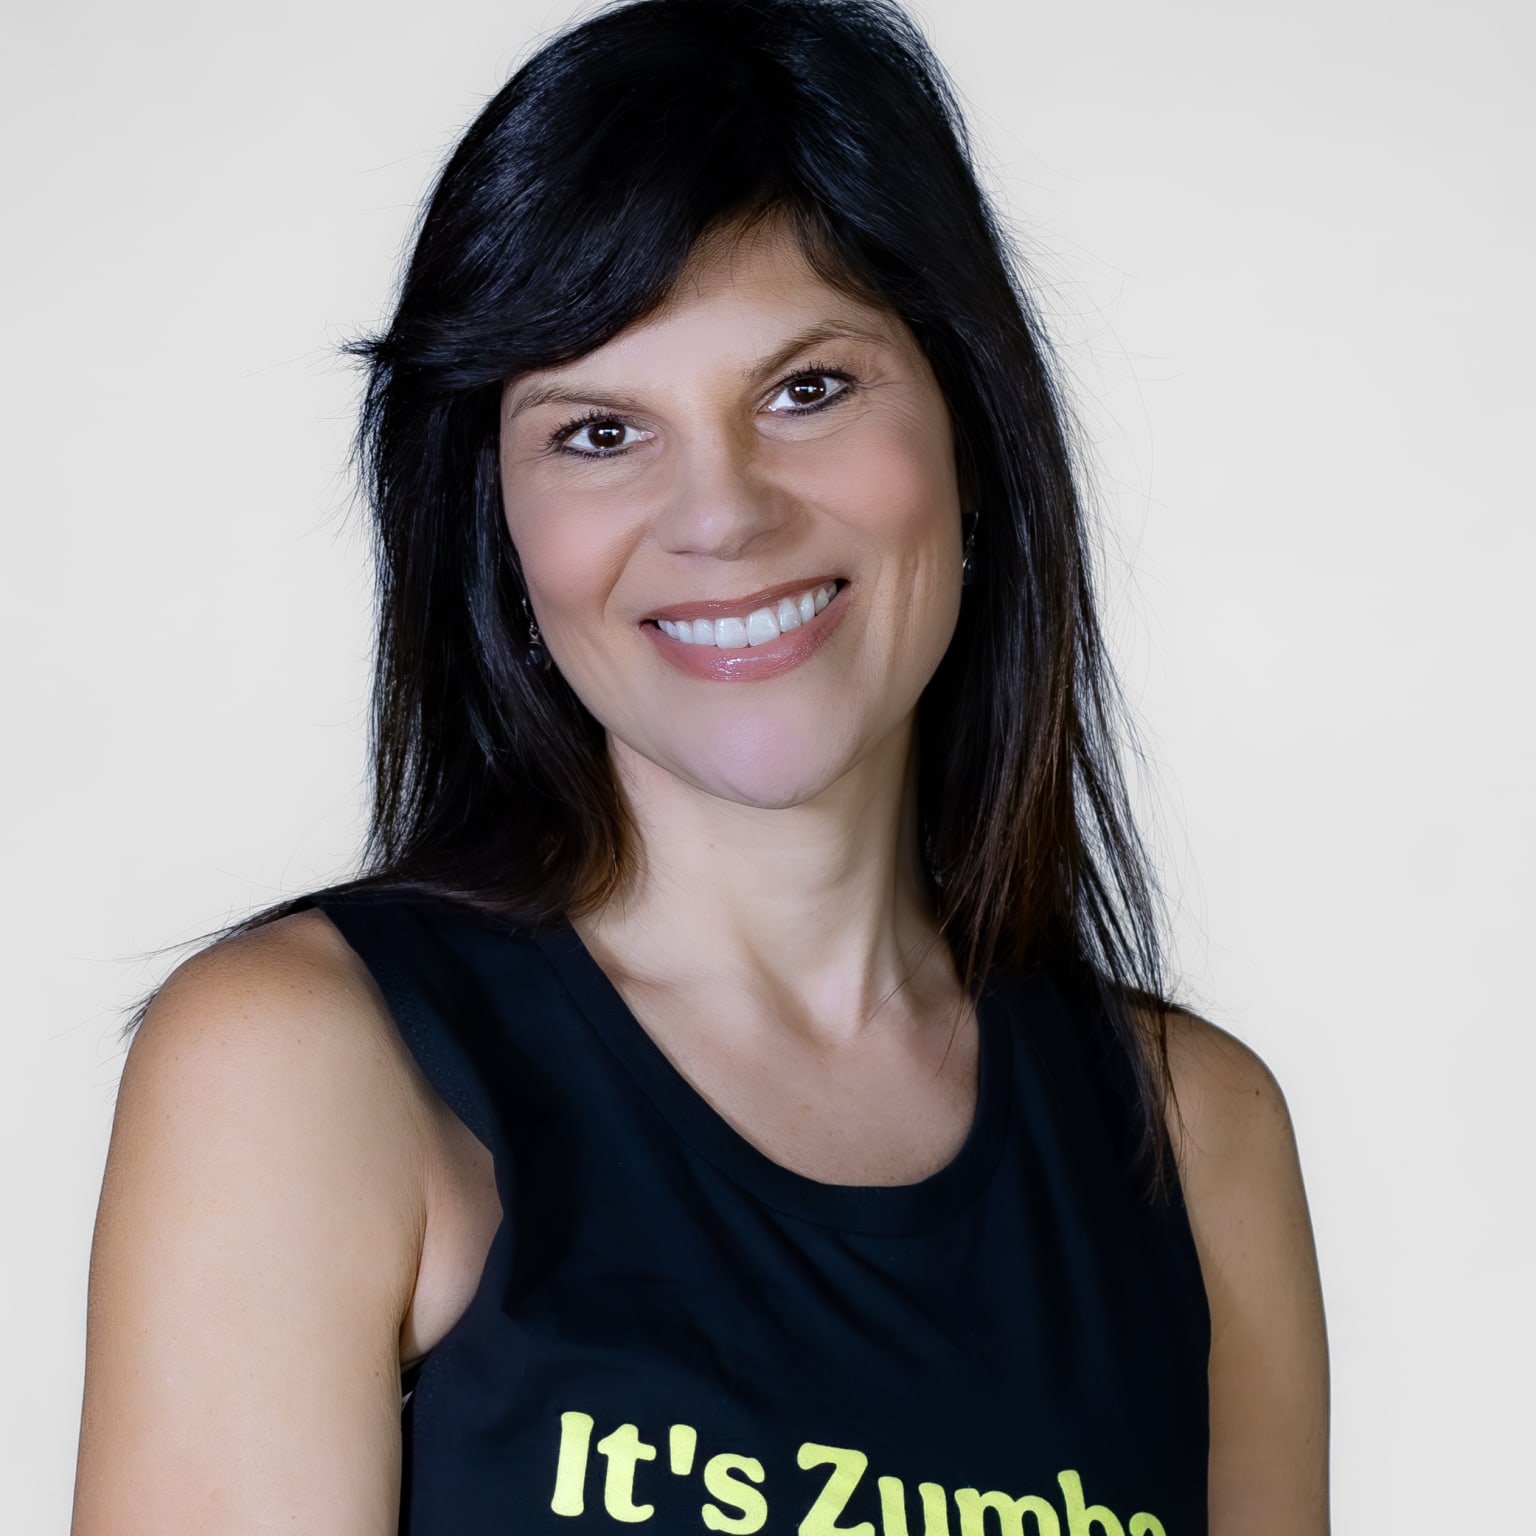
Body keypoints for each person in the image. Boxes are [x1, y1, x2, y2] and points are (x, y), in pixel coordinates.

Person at [71, 1, 1328, 1531]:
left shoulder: (1195, 1135)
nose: (721, 515)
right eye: (600, 433)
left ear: (970, 440)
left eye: (808, 389)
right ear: (500, 531)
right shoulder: (308, 1067)